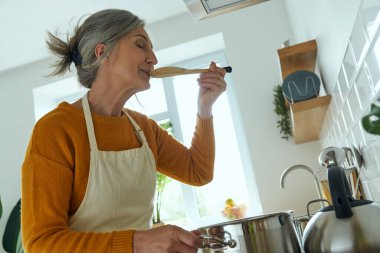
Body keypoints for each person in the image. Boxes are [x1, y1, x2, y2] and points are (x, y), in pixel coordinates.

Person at [21, 8, 227, 253]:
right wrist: (138, 242)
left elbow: (198, 171)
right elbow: (40, 244)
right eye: (141, 45)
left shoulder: (144, 128)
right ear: (103, 53)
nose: (154, 59)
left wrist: (205, 107)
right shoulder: (55, 131)